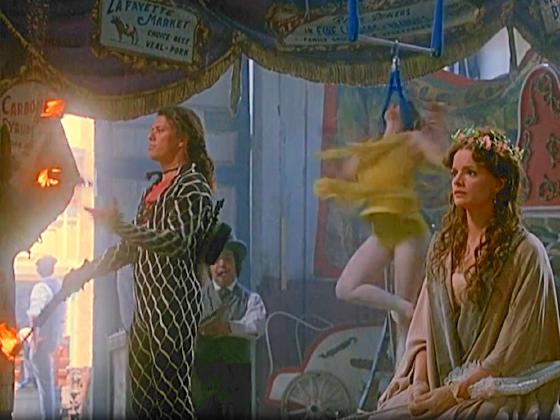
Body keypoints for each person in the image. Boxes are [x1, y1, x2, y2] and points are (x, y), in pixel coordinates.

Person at [374, 127, 560, 418]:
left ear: (499, 182)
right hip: (436, 379)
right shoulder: (443, 248)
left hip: (494, 387)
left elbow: (512, 351)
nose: (457, 181)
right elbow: (423, 333)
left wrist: (451, 395)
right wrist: (421, 383)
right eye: (454, 173)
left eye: (471, 173)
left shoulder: (526, 253)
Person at [61, 105, 223, 418]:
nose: (151, 135)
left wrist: (121, 226)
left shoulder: (193, 187)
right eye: (152, 129)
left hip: (174, 308)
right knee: (144, 404)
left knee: (171, 401)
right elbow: (132, 248)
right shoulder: (154, 189)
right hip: (145, 312)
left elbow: (174, 241)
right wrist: (87, 271)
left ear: (182, 140)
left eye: (160, 130)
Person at [314, 102, 448, 361]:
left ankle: (403, 376)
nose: (394, 107)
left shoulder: (412, 140)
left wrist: (439, 128)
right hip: (383, 234)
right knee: (345, 288)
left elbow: (444, 159)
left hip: (408, 231)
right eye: (391, 105)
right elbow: (346, 173)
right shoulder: (373, 149)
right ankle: (405, 307)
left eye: (399, 106)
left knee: (403, 326)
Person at [194, 228, 266, 419]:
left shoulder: (251, 299)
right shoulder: (194, 300)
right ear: (209, 267)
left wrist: (228, 328)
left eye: (227, 259)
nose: (222, 265)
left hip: (238, 378)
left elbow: (256, 326)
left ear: (237, 265)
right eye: (216, 259)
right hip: (204, 378)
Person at [27, 255, 66, 420]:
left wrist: (35, 341)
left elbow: (35, 315)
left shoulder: (41, 287)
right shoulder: (58, 286)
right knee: (49, 383)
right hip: (52, 342)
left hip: (41, 342)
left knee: (45, 386)